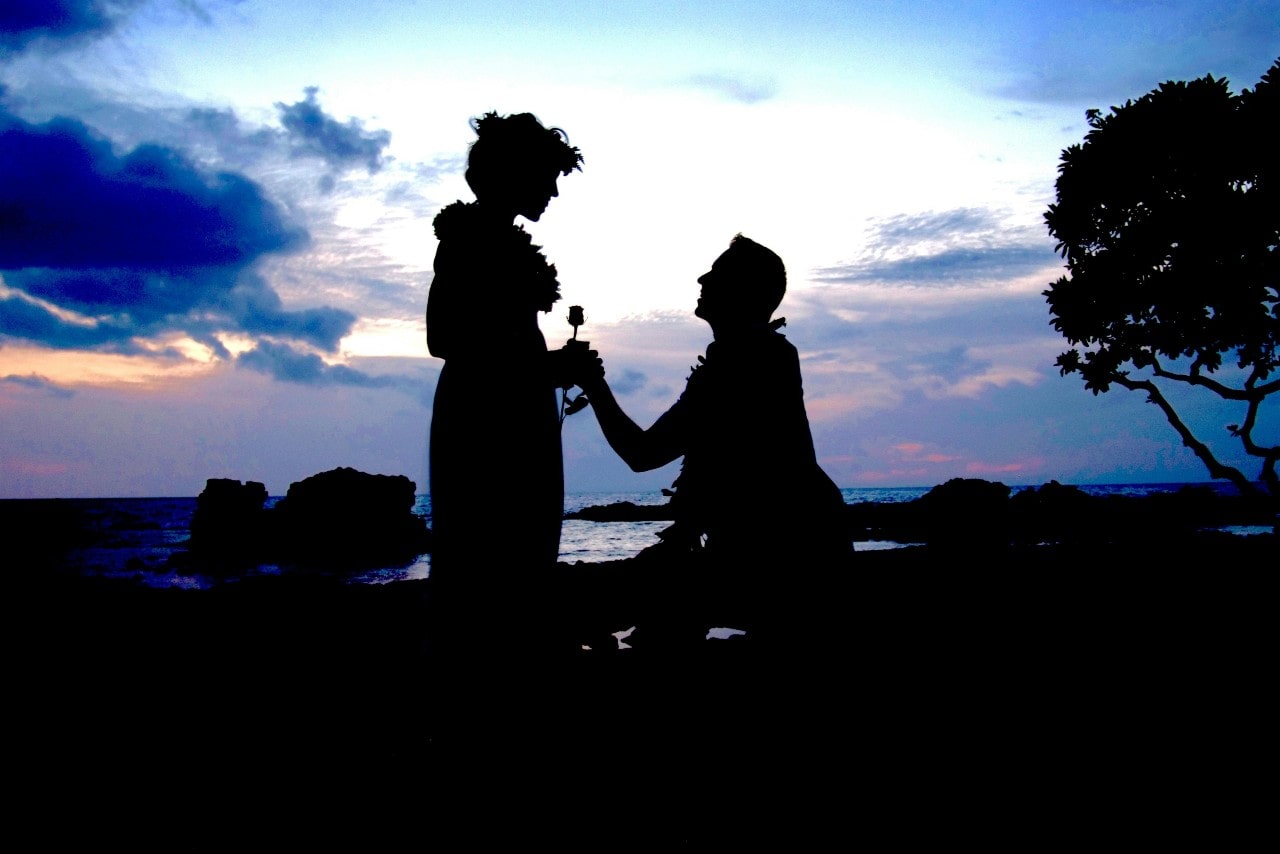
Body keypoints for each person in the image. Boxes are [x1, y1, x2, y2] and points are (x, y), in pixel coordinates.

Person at [580, 234, 853, 653]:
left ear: (743, 292)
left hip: (783, 556)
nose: (702, 279)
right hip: (795, 544)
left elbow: (643, 454)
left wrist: (593, 384)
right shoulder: (757, 354)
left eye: (717, 274)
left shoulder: (744, 361)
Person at [424, 111, 593, 666]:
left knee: (523, 545)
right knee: (492, 546)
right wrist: (544, 366)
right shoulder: (468, 240)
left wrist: (547, 366)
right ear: (513, 174)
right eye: (546, 178)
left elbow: (495, 341)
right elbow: (444, 337)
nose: (552, 192)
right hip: (484, 418)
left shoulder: (494, 239)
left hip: (516, 408)